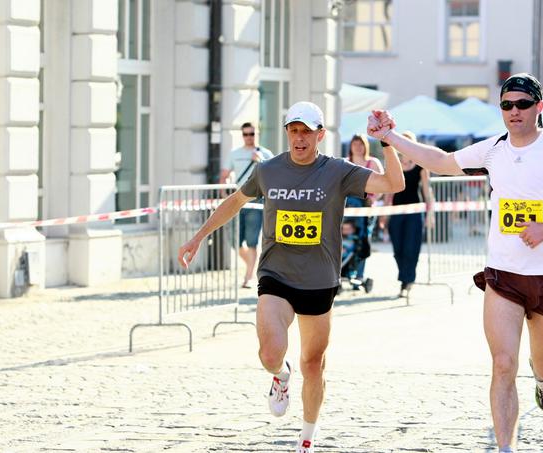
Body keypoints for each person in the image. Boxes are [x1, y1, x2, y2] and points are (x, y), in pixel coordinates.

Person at [367, 73, 543, 452]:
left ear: (539, 107)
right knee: (502, 363)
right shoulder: (494, 149)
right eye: (507, 105)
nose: (514, 112)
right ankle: (505, 447)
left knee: (542, 365)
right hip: (503, 274)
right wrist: (390, 138)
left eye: (523, 104)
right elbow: (443, 161)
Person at [179, 101, 404, 453]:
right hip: (276, 275)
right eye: (293, 131)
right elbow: (235, 202)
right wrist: (198, 237)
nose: (299, 139)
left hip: (319, 280)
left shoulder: (337, 171)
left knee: (313, 365)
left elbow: (394, 181)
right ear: (286, 133)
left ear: (320, 135)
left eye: (306, 132)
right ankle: (280, 376)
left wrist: (386, 141)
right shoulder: (268, 170)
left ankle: (306, 439)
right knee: (271, 352)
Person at [219, 122, 274, 288]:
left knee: (251, 240)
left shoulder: (266, 154)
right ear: (242, 135)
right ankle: (252, 265)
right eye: (246, 134)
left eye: (252, 134)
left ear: (257, 133)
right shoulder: (234, 153)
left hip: (256, 200)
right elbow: (224, 175)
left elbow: (274, 176)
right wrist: (224, 195)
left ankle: (249, 277)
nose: (249, 137)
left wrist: (261, 162)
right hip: (238, 199)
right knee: (234, 240)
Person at [383, 131, 434, 298]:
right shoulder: (393, 163)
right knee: (398, 249)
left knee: (411, 248)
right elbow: (388, 191)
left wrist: (430, 214)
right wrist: (383, 213)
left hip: (415, 212)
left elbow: (427, 191)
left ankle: (407, 281)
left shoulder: (421, 165)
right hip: (396, 212)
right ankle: (405, 277)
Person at [344, 134, 383, 283]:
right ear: (351, 147)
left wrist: (373, 199)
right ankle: (345, 270)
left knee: (363, 239)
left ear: (365, 146)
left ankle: (359, 274)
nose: (358, 148)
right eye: (355, 144)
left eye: (361, 144)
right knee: (346, 240)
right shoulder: (346, 163)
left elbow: (382, 184)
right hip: (348, 210)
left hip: (366, 209)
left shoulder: (373, 163)